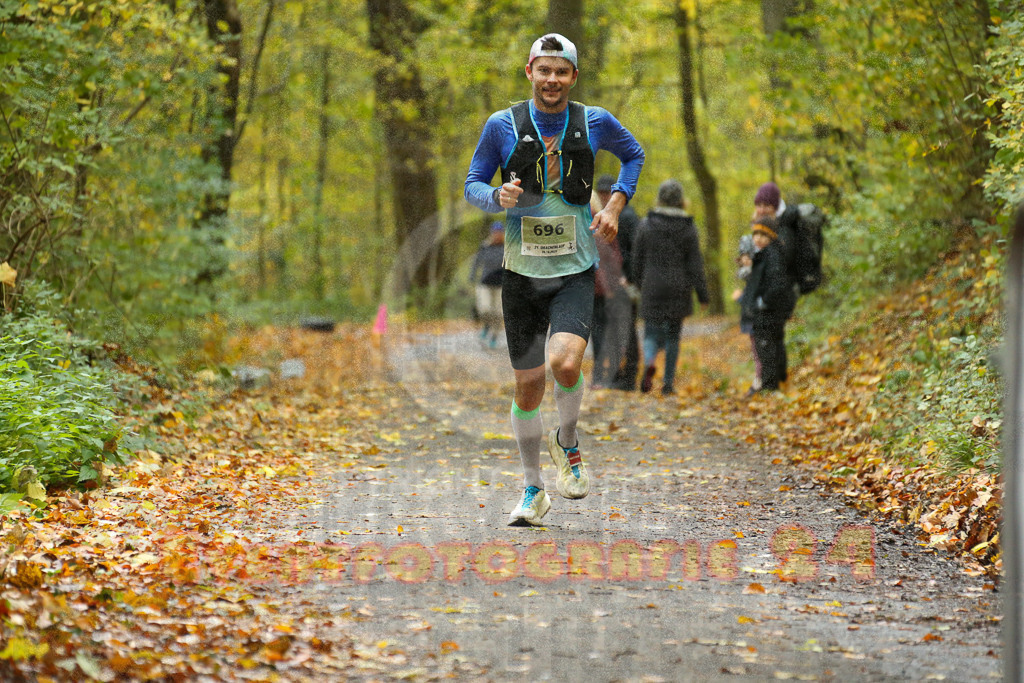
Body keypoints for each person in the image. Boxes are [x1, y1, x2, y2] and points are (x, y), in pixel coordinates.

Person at [464, 33, 645, 526]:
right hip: (521, 277)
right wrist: (494, 197)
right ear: (529, 72)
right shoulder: (501, 125)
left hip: (573, 272)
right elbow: (472, 183)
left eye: (561, 71)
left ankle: (567, 441)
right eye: (544, 70)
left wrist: (614, 204)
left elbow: (635, 155)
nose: (552, 80)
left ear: (573, 77)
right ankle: (532, 491)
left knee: (565, 365)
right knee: (527, 388)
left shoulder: (594, 122)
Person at [632, 179, 709, 396]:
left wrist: (638, 283)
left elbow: (636, 259)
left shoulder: (646, 224)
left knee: (650, 332)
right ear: (681, 201)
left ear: (660, 199)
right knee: (673, 335)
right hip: (679, 287)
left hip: (652, 285)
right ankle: (668, 383)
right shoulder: (688, 227)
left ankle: (649, 361)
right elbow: (695, 263)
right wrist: (702, 294)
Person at [738, 216, 797, 392]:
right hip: (767, 310)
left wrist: (764, 300)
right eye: (756, 234)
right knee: (773, 344)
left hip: (768, 311)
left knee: (767, 347)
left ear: (771, 237)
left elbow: (776, 283)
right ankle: (777, 379)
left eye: (764, 235)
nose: (758, 238)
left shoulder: (772, 254)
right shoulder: (763, 254)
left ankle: (770, 384)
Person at [596, 174, 641, 391]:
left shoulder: (629, 217)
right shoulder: (604, 216)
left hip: (625, 283)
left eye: (607, 193)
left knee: (627, 331)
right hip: (612, 283)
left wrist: (628, 277)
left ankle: (629, 377)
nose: (604, 197)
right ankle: (619, 374)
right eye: (601, 193)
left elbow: (635, 252)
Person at [752, 181, 799, 386]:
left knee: (769, 340)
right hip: (776, 291)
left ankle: (770, 383)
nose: (762, 208)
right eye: (759, 204)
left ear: (774, 205)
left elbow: (781, 264)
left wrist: (767, 296)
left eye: (766, 204)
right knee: (774, 338)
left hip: (777, 294)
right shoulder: (768, 225)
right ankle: (776, 379)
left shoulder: (782, 229)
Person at [590, 192, 630, 390]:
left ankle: (598, 376)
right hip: (605, 288)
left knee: (596, 332)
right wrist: (614, 283)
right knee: (609, 331)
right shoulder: (602, 221)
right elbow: (614, 257)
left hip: (585, 285)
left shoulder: (572, 220)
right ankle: (609, 375)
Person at [731, 234, 761, 395]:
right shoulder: (746, 274)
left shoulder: (756, 274)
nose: (747, 259)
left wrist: (741, 298)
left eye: (750, 256)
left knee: (760, 351)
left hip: (758, 318)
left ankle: (759, 381)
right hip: (752, 318)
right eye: (744, 256)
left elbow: (755, 298)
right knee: (756, 350)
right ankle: (759, 379)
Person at [470, 222, 505, 349]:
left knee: (499, 313)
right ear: (491, 233)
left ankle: (494, 338)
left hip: (501, 285)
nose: (497, 235)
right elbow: (477, 261)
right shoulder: (485, 246)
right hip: (485, 283)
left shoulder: (507, 247)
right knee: (485, 309)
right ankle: (486, 325)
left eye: (499, 233)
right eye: (495, 233)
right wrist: (472, 275)